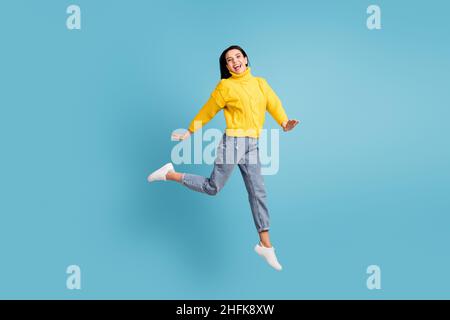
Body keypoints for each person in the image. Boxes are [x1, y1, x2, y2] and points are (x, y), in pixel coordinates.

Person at [147, 45, 299, 271]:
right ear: (226, 66)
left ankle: (265, 244)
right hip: (233, 142)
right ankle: (169, 173)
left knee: (258, 191)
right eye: (230, 59)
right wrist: (189, 131)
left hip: (253, 144)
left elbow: (273, 104)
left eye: (238, 56)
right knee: (213, 187)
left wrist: (284, 123)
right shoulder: (225, 87)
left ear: (246, 59)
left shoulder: (260, 83)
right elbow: (207, 110)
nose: (235, 61)